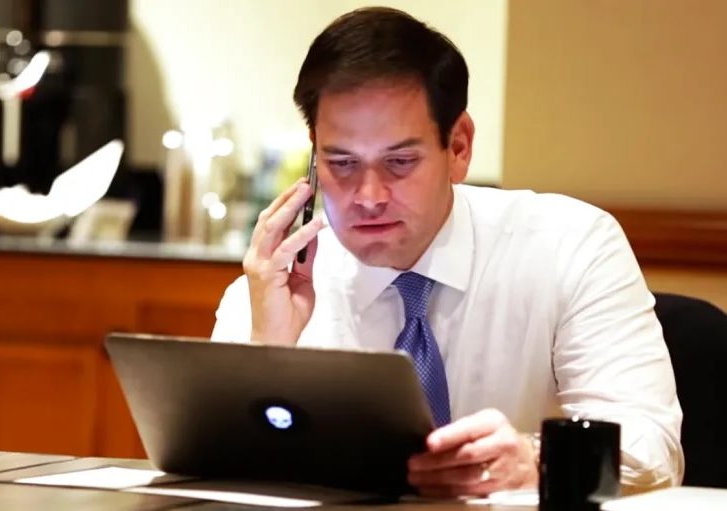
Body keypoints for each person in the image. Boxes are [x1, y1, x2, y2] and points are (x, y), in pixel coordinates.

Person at [211, 6, 683, 497]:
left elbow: (653, 449)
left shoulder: (570, 246)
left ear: (458, 147)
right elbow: (215, 475)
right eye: (343, 163)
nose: (368, 196)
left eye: (399, 161)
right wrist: (269, 352)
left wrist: (537, 462)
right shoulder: (274, 287)